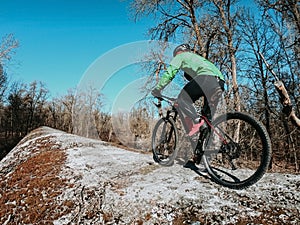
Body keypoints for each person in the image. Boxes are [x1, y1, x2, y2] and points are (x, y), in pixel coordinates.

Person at [151, 44, 225, 136]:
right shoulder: (199, 59)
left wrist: (158, 89)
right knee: (206, 121)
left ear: (179, 52)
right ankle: (207, 147)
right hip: (219, 82)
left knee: (182, 99)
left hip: (206, 78)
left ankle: (196, 121)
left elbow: (170, 73)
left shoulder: (181, 56)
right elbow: (191, 77)